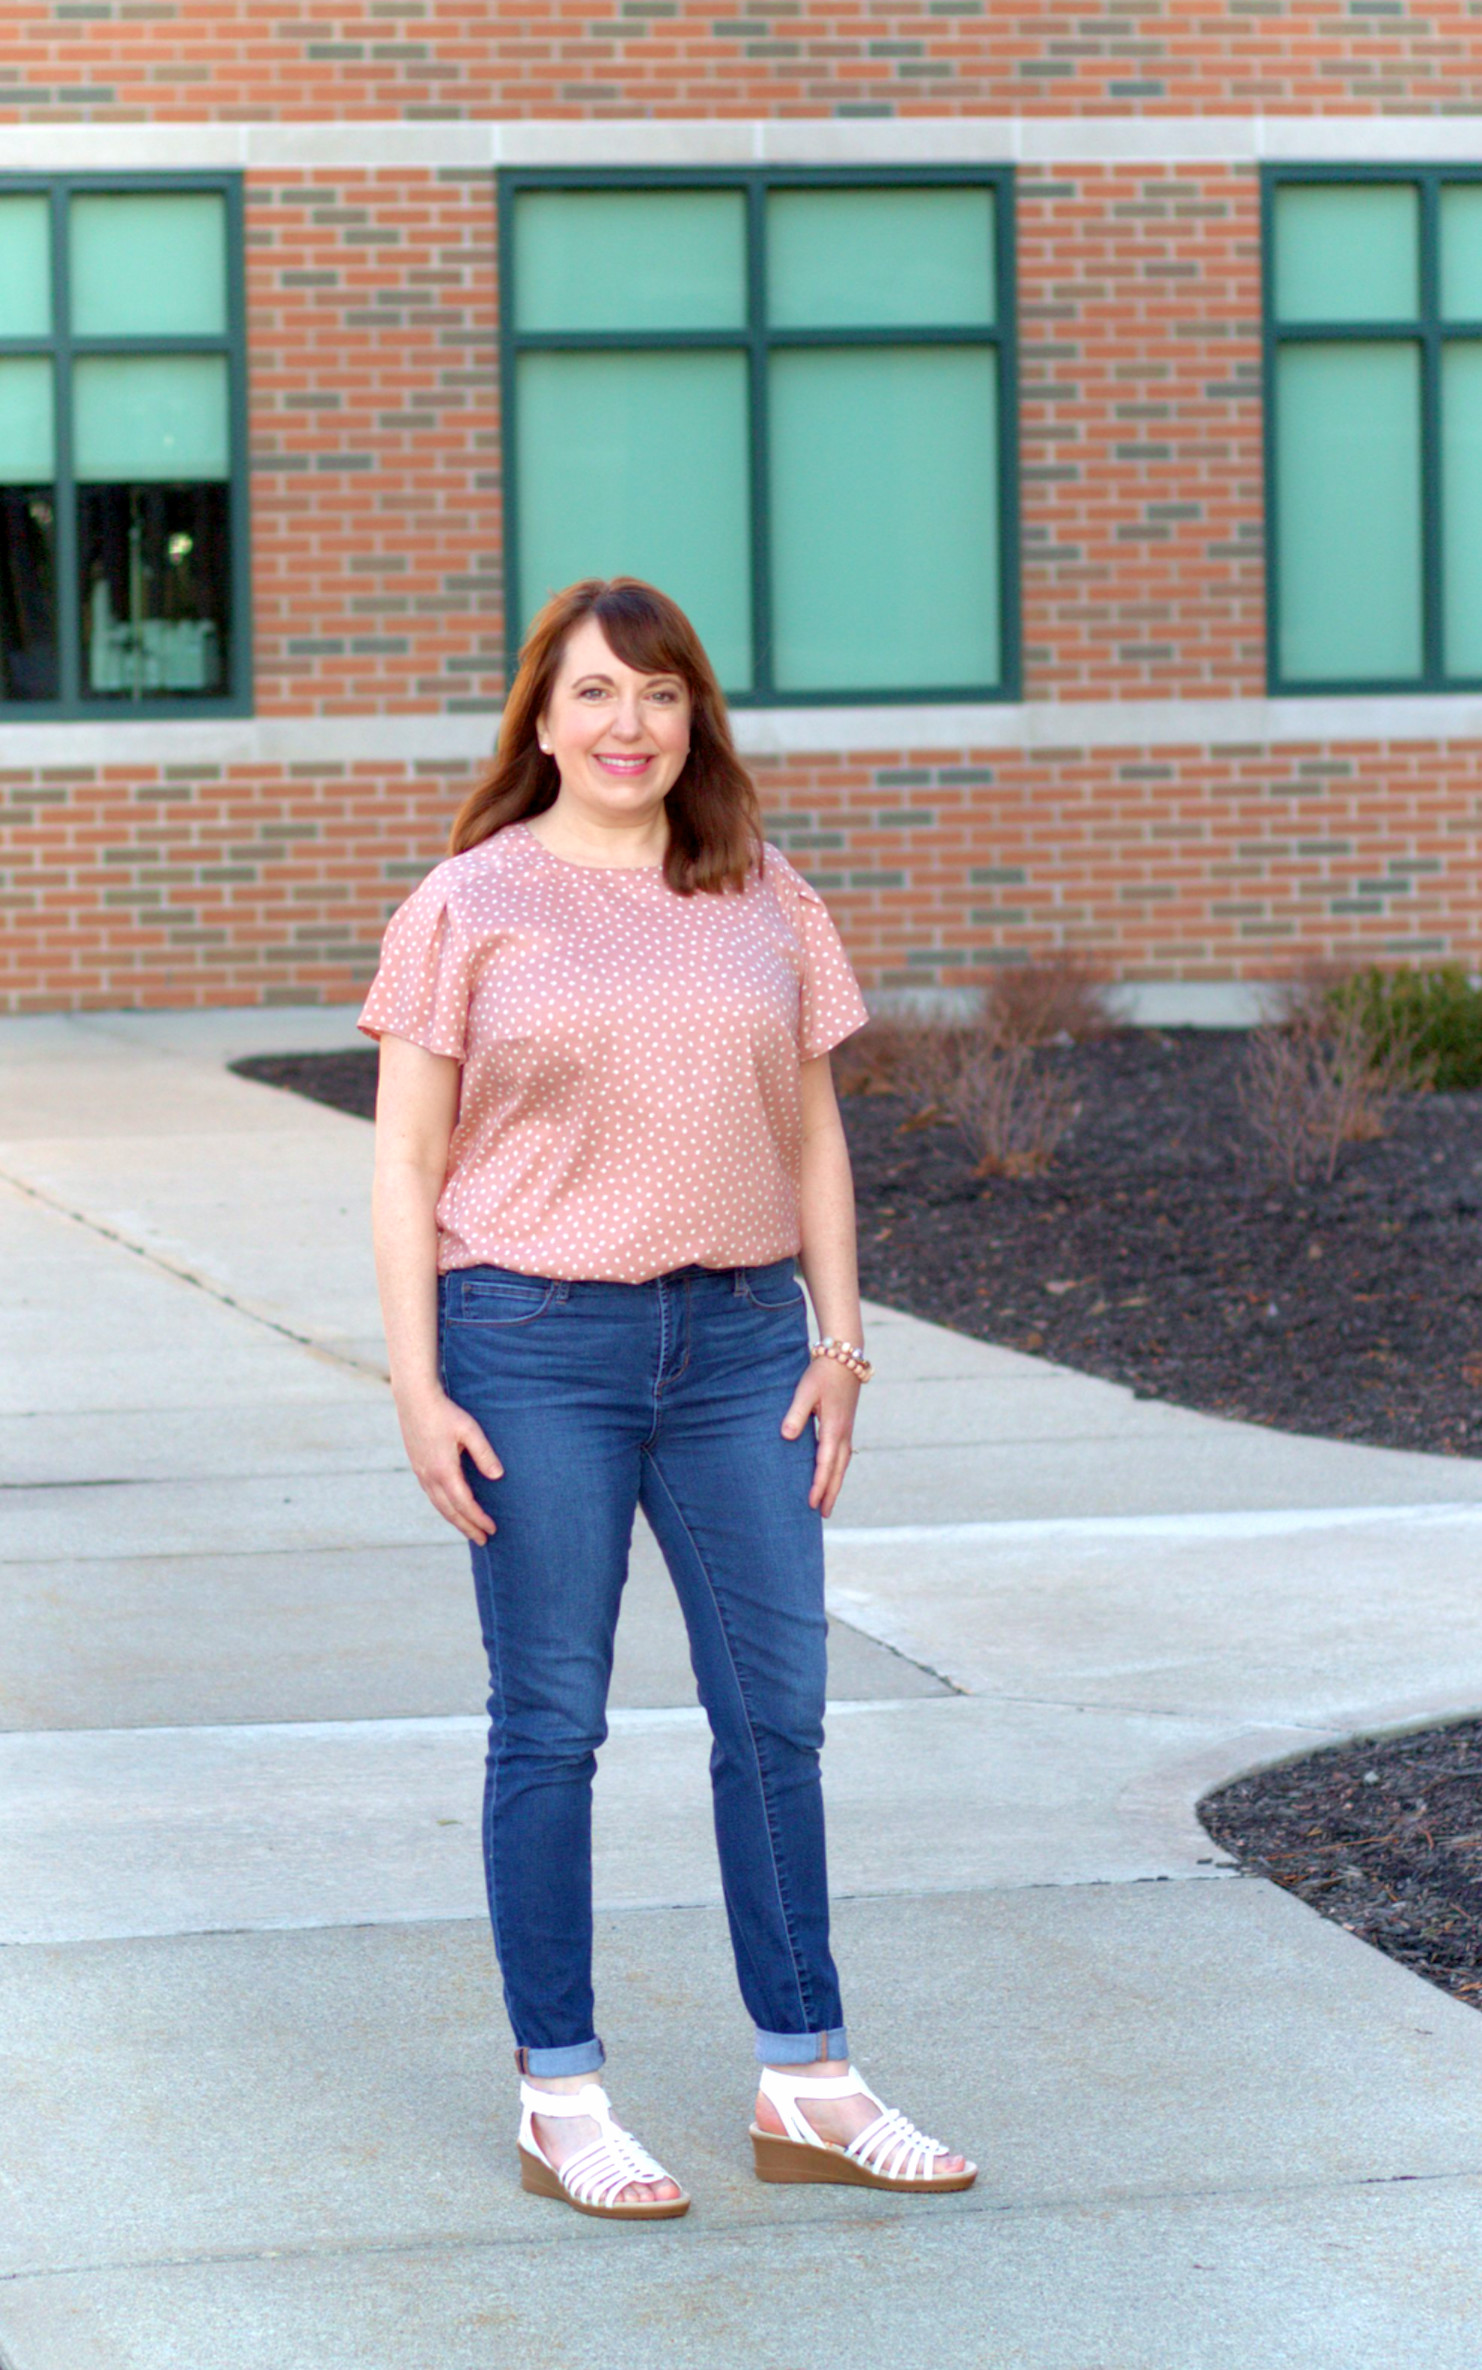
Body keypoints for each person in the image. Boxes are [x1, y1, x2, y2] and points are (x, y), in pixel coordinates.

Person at [361, 576, 974, 2220]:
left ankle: (807, 2073)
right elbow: (407, 1161)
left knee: (775, 1718)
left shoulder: (766, 892)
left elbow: (813, 1136)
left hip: (740, 1355)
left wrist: (842, 1343)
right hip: (530, 1345)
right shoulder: (467, 903)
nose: (626, 724)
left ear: (693, 715)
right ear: (540, 719)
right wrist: (416, 1383)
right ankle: (558, 2093)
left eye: (658, 694)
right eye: (592, 694)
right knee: (550, 1723)